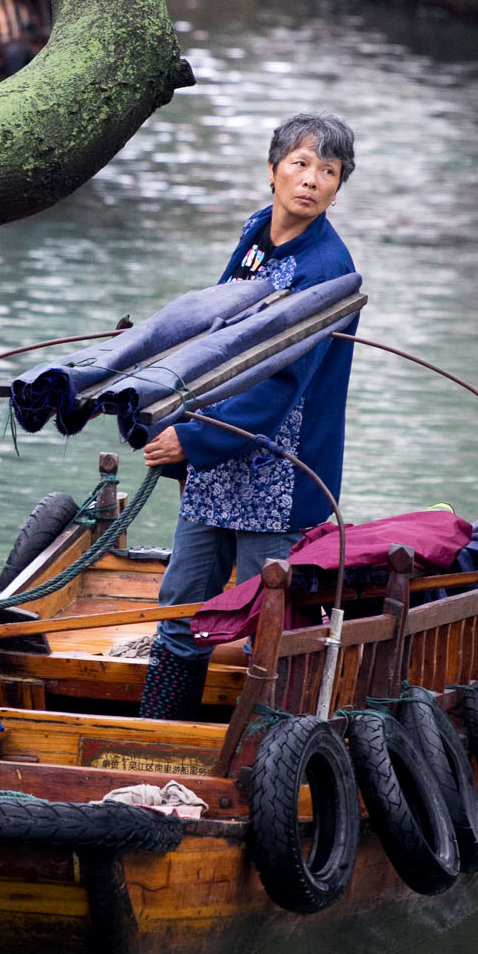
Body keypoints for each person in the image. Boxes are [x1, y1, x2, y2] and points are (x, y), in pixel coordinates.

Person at [138, 113, 358, 720]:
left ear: (338, 188)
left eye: (328, 172)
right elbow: (218, 335)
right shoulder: (256, 234)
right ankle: (161, 732)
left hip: (278, 472)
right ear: (272, 170)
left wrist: (193, 440)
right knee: (183, 606)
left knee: (270, 624)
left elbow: (282, 385)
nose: (311, 180)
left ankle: (269, 749)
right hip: (216, 464)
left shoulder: (328, 272)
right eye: (300, 163)